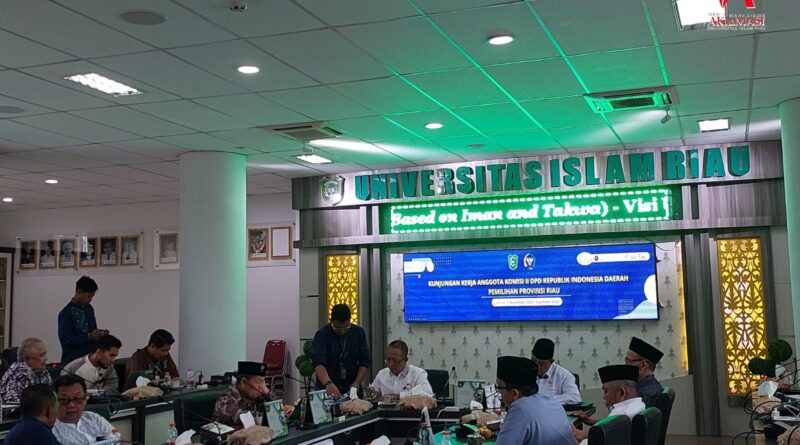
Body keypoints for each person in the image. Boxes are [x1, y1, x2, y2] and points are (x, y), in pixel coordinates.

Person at [493, 356, 574, 445]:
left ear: (515, 394)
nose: (499, 392)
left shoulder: (520, 409)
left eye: (499, 387)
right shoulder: (552, 401)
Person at [572, 364, 645, 445]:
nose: (604, 396)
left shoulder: (621, 415)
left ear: (622, 392)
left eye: (606, 391)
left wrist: (582, 436)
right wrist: (589, 421)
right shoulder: (639, 405)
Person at [311, 304, 371, 398]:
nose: (342, 331)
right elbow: (318, 363)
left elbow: (365, 361)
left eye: (346, 328)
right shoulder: (322, 335)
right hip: (326, 386)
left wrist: (357, 382)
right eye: (337, 328)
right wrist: (328, 383)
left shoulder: (358, 333)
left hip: (351, 387)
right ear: (331, 321)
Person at [52, 374, 115, 444]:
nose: (71, 405)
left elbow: (116, 439)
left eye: (77, 399)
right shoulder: (51, 429)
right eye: (64, 400)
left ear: (85, 398)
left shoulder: (93, 418)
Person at [58, 276, 106, 364]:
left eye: (92, 296)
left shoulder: (89, 309)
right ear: (79, 291)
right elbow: (65, 340)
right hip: (73, 361)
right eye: (89, 296)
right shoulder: (66, 313)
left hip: (90, 359)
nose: (90, 299)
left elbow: (92, 330)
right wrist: (88, 336)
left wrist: (99, 334)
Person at [212, 361, 271, 426]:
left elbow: (277, 410)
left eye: (263, 382)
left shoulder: (259, 395)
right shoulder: (226, 398)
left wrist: (268, 393)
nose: (262, 387)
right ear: (243, 382)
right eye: (258, 382)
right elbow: (243, 418)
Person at [0, 338, 53, 403]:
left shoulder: (41, 370)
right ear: (26, 359)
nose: (46, 358)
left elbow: (51, 397)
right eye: (41, 355)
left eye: (45, 354)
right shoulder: (19, 374)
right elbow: (13, 405)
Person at [531, 338, 581, 404]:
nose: (537, 366)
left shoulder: (564, 375)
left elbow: (575, 397)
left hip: (552, 409)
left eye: (542, 363)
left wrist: (545, 400)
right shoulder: (525, 371)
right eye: (534, 360)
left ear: (551, 362)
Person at [627, 336, 664, 406]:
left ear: (643, 364)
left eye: (629, 361)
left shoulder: (642, 396)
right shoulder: (653, 386)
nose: (626, 365)